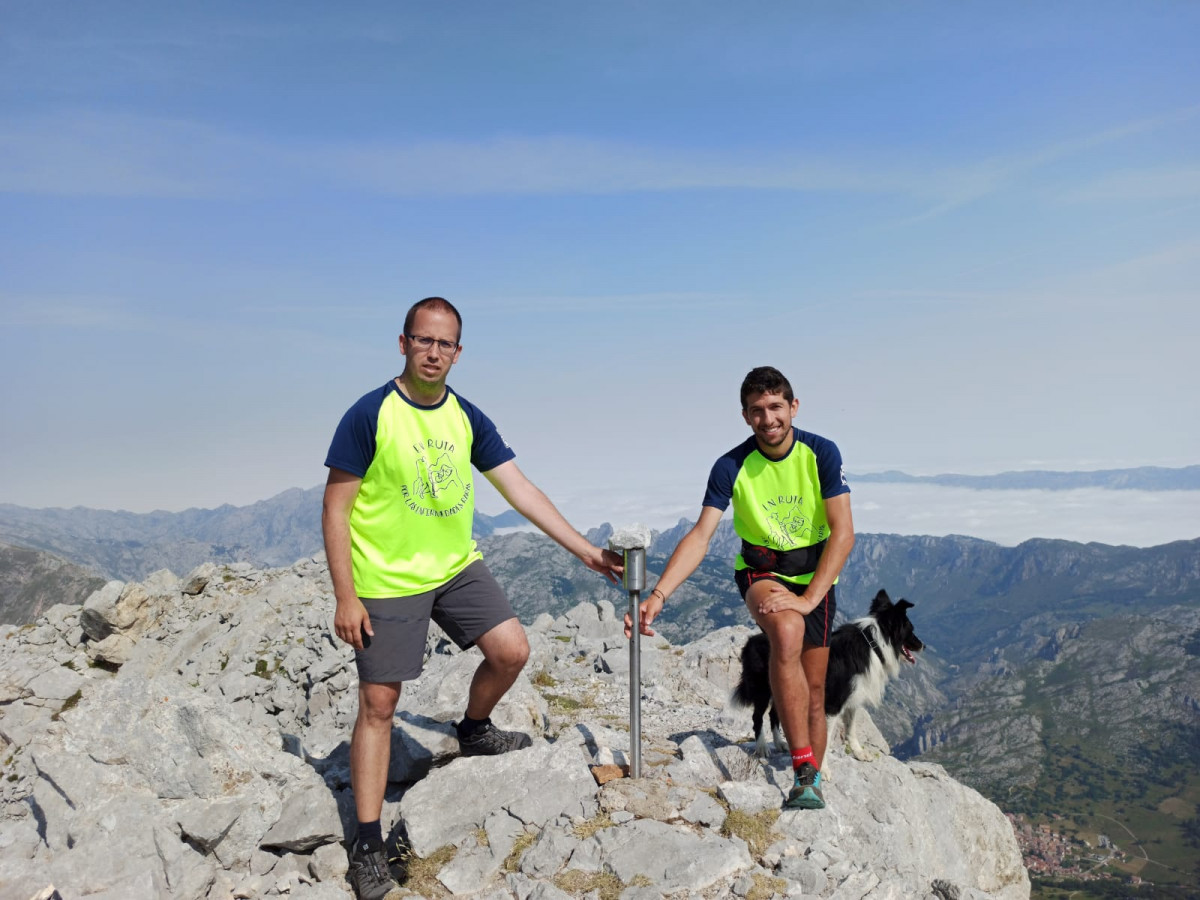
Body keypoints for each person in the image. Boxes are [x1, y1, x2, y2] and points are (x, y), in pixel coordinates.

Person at [323, 296, 622, 899]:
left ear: (459, 352)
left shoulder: (466, 417)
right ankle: (368, 839)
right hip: (388, 578)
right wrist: (346, 596)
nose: (434, 352)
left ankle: (475, 729)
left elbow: (519, 488)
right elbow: (336, 506)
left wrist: (584, 550)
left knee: (512, 651)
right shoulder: (370, 414)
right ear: (403, 342)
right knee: (380, 705)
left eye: (446, 344)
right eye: (424, 340)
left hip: (457, 566)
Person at [625, 365, 854, 811]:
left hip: (816, 577)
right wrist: (658, 595)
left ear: (793, 406)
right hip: (761, 571)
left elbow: (842, 533)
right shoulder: (731, 464)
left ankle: (813, 780)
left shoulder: (821, 453)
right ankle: (802, 768)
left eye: (775, 407)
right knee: (786, 633)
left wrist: (809, 598)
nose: (768, 419)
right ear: (745, 416)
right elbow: (700, 536)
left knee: (816, 688)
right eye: (757, 411)